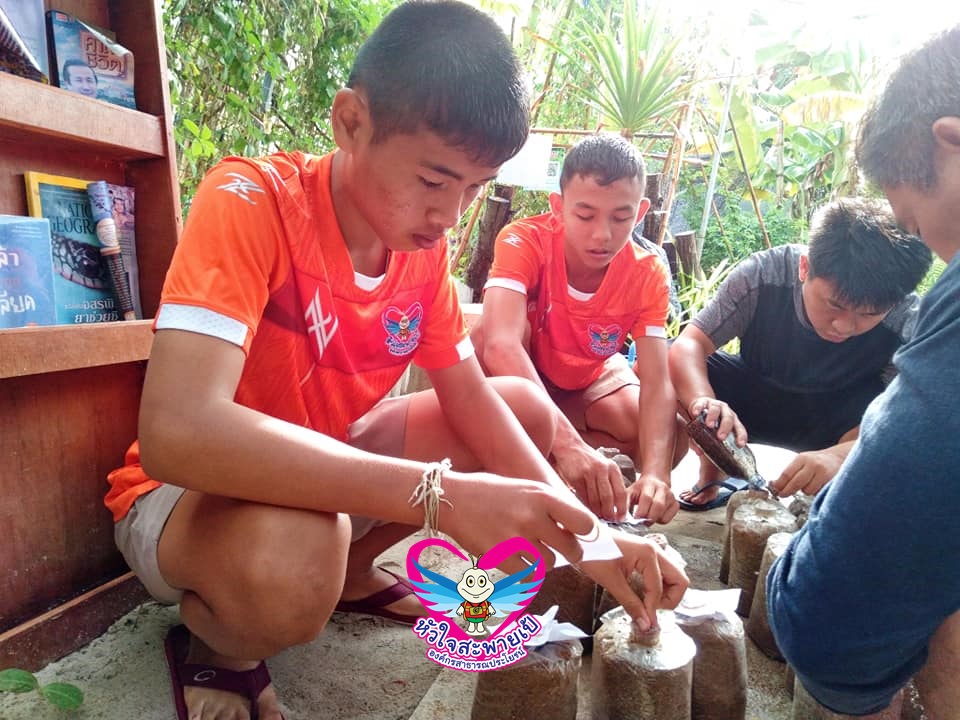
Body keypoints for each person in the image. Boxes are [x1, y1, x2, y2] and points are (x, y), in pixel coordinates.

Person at [104, 4, 688, 719]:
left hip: (320, 466)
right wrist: (443, 496)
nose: (452, 214)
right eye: (436, 181)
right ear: (351, 122)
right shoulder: (251, 201)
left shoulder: (419, 252)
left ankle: (350, 577)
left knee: (522, 410)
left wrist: (597, 541)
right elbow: (177, 432)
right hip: (182, 493)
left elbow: (475, 402)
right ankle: (221, 646)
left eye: (475, 188)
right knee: (301, 551)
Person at [767, 26, 960, 718]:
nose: (938, 252)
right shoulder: (763, 279)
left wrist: (798, 598)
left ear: (951, 144)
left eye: (916, 220)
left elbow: (843, 601)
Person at [470, 134, 685, 525]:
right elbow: (500, 345)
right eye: (585, 216)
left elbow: (657, 380)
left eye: (620, 217)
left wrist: (657, 474)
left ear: (640, 213)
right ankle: (551, 454)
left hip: (583, 381)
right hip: (520, 378)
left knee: (666, 438)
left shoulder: (648, 272)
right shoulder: (523, 240)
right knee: (487, 335)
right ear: (558, 207)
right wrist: (569, 445)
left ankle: (544, 456)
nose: (602, 234)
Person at [668, 198, 931, 509]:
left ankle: (835, 494)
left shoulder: (907, 319)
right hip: (754, 401)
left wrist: (840, 456)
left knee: (891, 420)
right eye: (835, 305)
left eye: (869, 314)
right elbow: (690, 344)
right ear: (805, 267)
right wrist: (703, 401)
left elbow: (910, 413)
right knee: (664, 358)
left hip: (839, 424)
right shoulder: (765, 274)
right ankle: (714, 467)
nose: (844, 326)